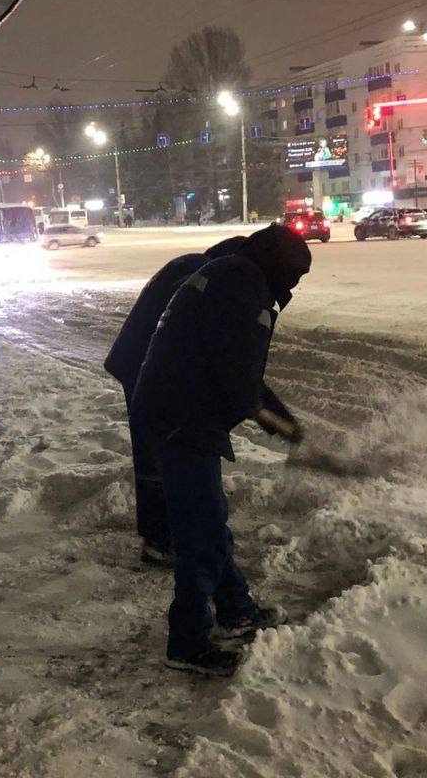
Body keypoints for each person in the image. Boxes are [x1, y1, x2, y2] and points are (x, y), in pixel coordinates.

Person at [131, 225, 311, 678]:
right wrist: (272, 421)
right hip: (183, 415)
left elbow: (241, 369)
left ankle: (236, 609)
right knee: (202, 532)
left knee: (206, 522)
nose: (294, 287)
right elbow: (240, 382)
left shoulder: (231, 273)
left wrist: (280, 417)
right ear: (278, 268)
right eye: (294, 276)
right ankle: (188, 643)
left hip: (171, 405)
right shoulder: (244, 289)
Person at [104, 236, 247, 568]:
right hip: (143, 367)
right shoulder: (198, 277)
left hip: (139, 362)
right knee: (158, 457)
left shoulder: (191, 266)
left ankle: (164, 534)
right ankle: (160, 540)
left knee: (156, 453)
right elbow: (193, 337)